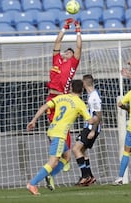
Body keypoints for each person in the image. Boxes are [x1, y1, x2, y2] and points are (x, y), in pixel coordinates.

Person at [26, 80, 98, 196]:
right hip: (59, 134)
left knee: (67, 156)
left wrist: (34, 120)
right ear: (82, 90)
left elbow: (45, 106)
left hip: (52, 130)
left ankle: (49, 174)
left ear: (70, 88)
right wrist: (96, 118)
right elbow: (90, 121)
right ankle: (33, 183)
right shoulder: (80, 103)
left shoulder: (61, 97)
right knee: (53, 161)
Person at [44, 17, 82, 190]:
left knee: (62, 129)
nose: (68, 53)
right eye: (66, 52)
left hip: (62, 100)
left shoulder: (73, 65)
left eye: (70, 52)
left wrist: (78, 30)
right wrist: (64, 28)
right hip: (51, 99)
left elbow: (79, 47)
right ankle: (61, 158)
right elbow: (57, 42)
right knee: (54, 131)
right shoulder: (56, 61)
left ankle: (59, 162)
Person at [72, 74, 102, 186]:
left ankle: (85, 176)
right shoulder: (91, 95)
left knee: (75, 149)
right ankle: (90, 177)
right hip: (88, 127)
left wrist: (93, 131)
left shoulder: (94, 97)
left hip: (91, 128)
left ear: (84, 83)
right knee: (82, 151)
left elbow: (99, 115)